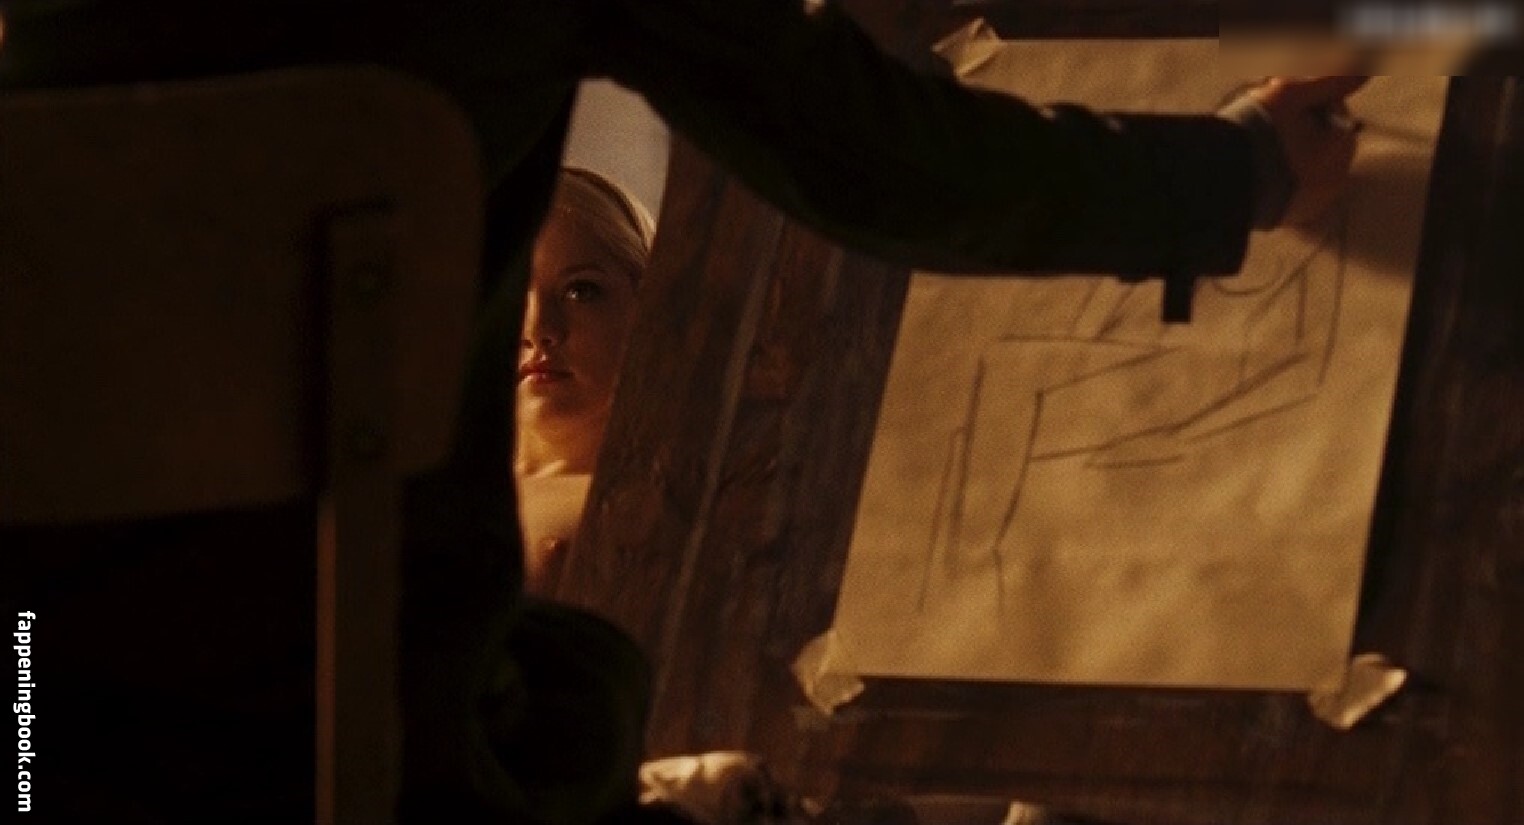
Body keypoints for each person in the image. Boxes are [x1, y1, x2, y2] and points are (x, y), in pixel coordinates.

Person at [0, 2, 1367, 822]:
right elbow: (882, 158)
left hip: (37, 730)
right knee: (587, 697)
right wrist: (1235, 168)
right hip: (394, 758)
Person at [516, 167, 654, 590]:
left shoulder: (651, 510)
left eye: (580, 291)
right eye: (511, 293)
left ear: (645, 306)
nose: (538, 328)